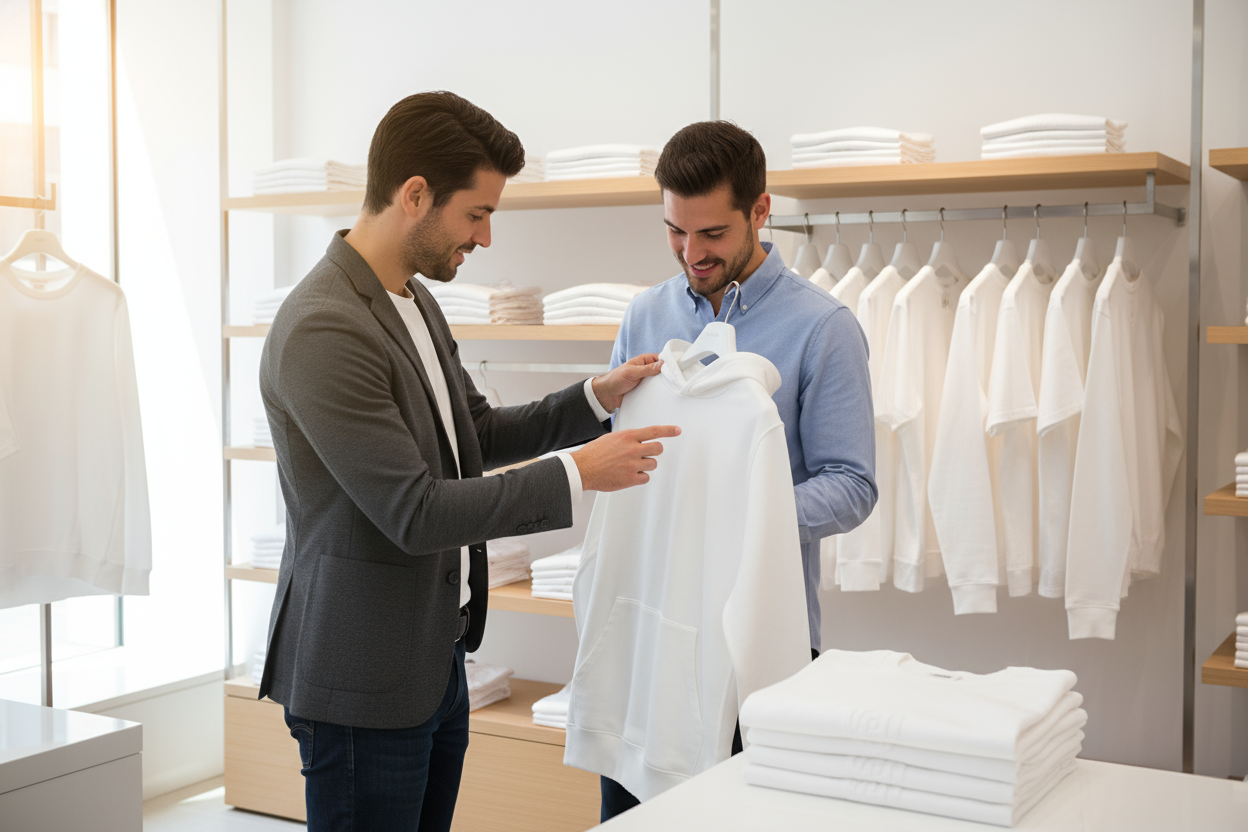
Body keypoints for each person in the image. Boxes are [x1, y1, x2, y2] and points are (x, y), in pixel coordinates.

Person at [255, 91, 679, 832]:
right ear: (415, 195)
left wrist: (595, 397)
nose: (485, 238)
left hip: (432, 661)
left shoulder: (412, 299)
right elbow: (414, 512)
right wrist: (580, 471)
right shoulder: (324, 326)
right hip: (361, 682)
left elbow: (470, 434)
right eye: (476, 214)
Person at [598, 120, 877, 820]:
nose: (691, 253)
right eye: (674, 231)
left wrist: (741, 515)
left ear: (760, 211)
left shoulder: (823, 329)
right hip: (650, 629)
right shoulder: (643, 317)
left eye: (712, 235)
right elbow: (620, 455)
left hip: (760, 633)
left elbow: (852, 485)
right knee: (636, 816)